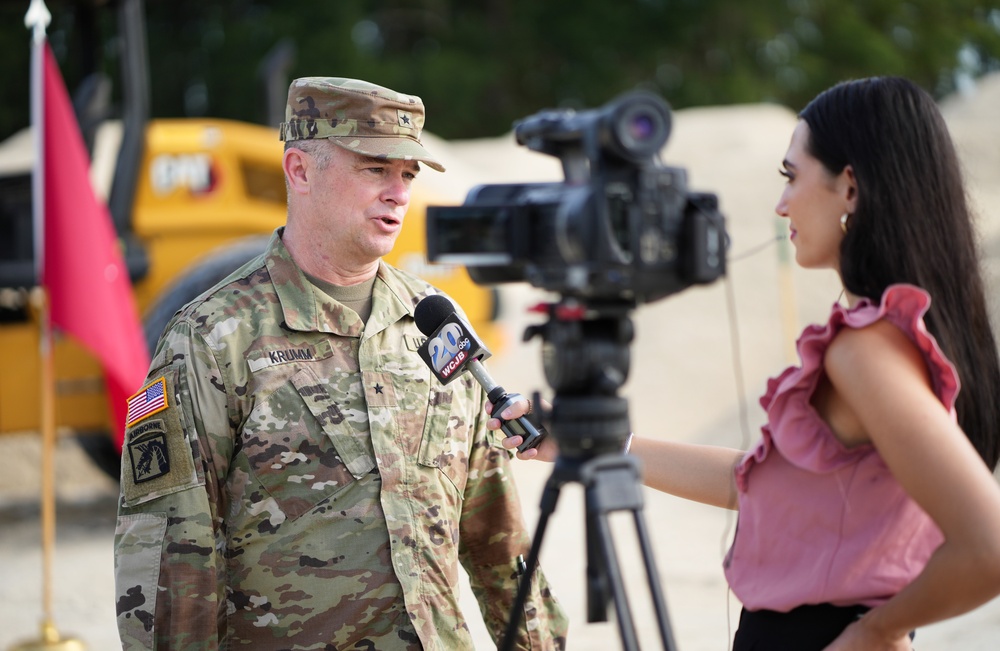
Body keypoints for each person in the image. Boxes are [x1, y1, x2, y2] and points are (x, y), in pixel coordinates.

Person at [490, 76, 1000, 650]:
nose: (782, 203)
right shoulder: (894, 337)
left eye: (791, 176)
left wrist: (873, 634)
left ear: (850, 188)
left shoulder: (867, 349)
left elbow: (988, 547)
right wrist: (608, 446)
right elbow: (767, 483)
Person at [113, 76, 567, 650]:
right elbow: (168, 553)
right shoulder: (207, 339)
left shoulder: (435, 323)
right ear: (300, 169)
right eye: (375, 169)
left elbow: (498, 536)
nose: (398, 193)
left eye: (407, 174)